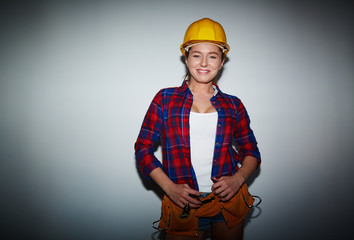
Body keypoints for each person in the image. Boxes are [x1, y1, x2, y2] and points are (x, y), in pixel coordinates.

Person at [135, 18, 261, 240]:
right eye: (196, 55)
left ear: (221, 62)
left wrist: (237, 179)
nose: (204, 63)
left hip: (228, 204)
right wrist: (169, 187)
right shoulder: (165, 99)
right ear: (186, 58)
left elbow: (251, 151)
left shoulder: (234, 104)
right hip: (183, 205)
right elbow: (143, 148)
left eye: (212, 56)